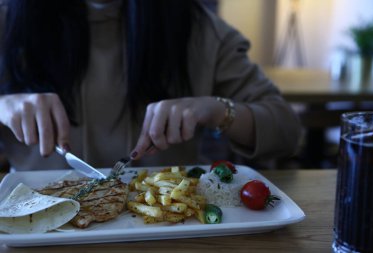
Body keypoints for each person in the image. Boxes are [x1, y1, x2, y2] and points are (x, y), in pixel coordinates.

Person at [0, 0, 302, 171]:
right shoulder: (6, 23)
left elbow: (286, 130)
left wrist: (216, 109)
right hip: (32, 230)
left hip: (169, 230)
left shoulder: (196, 28)